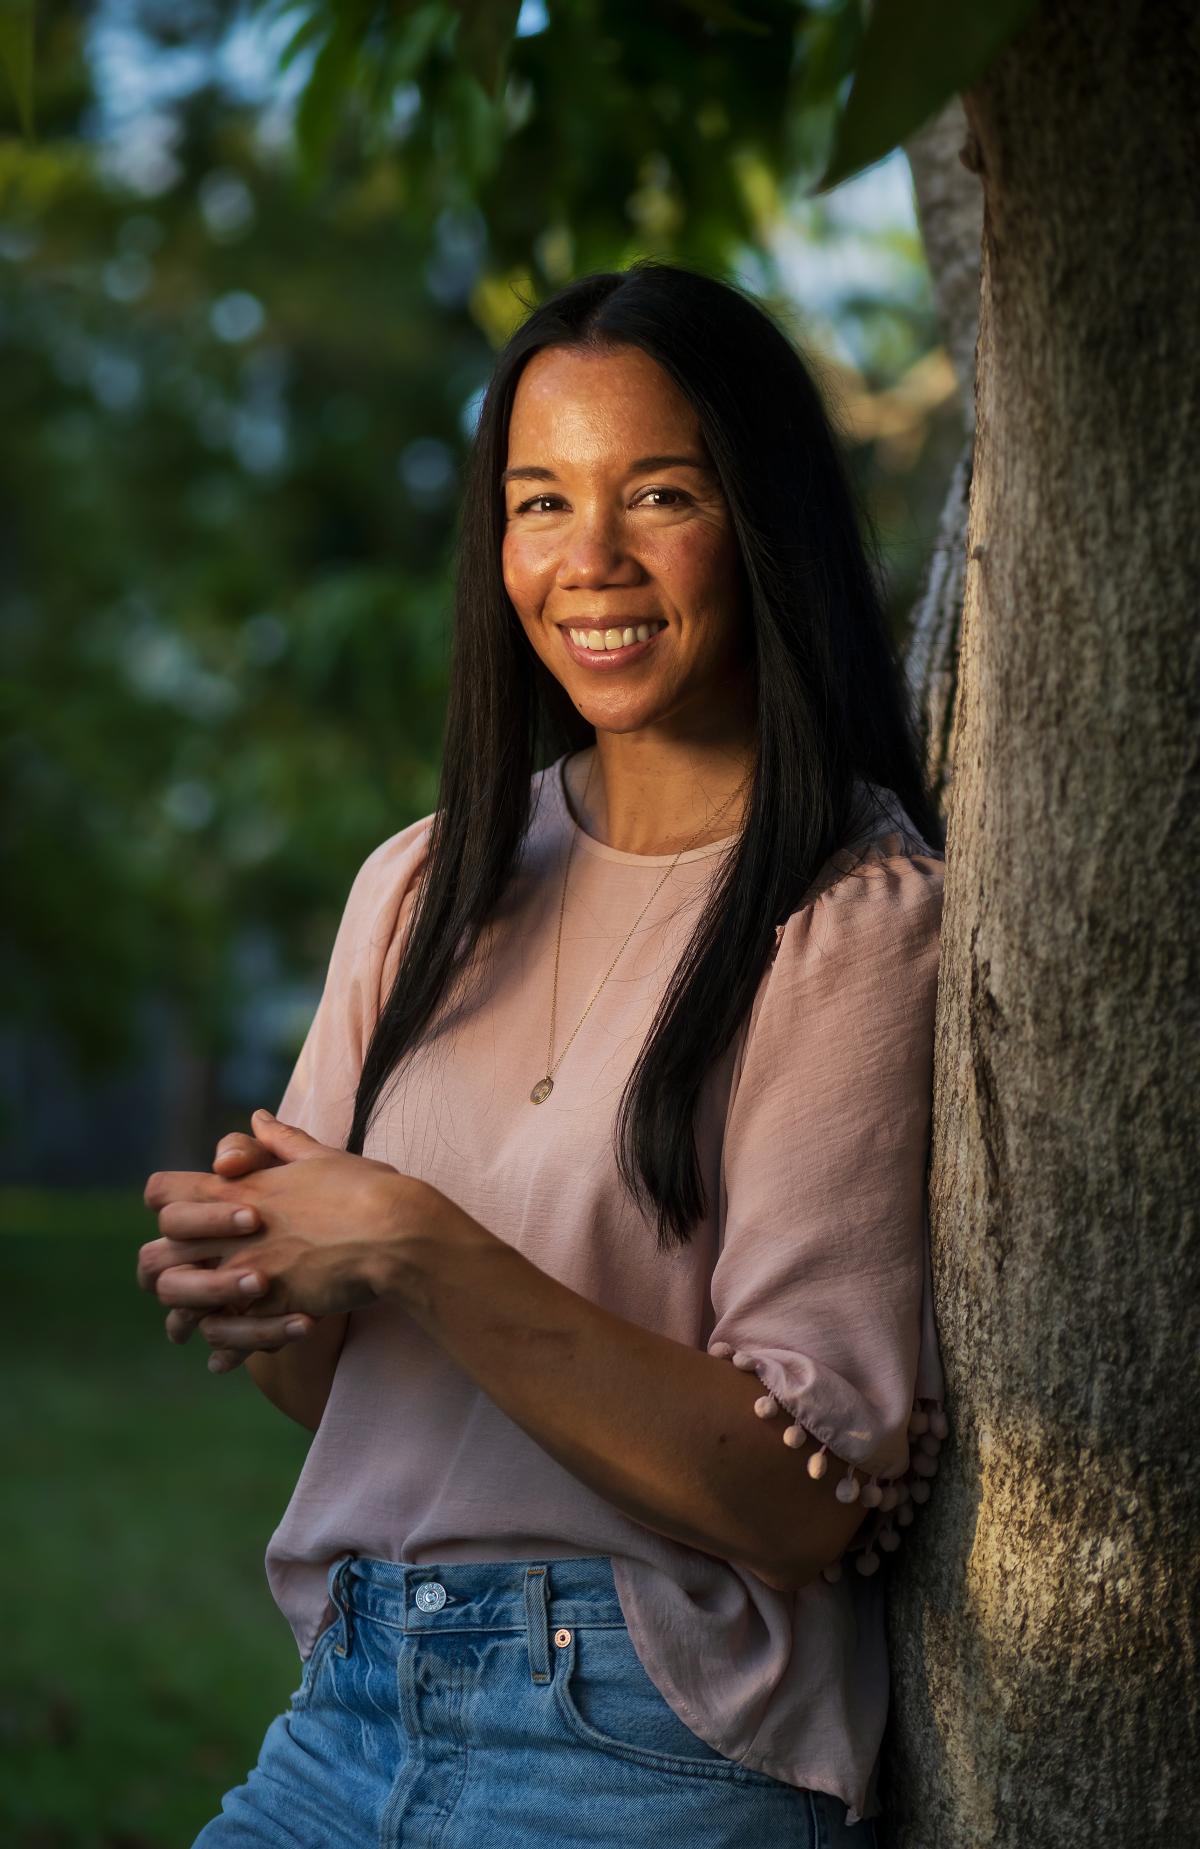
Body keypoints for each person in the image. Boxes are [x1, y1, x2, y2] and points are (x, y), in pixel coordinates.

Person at [138, 260, 949, 1848]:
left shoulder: (852, 919)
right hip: (354, 1694)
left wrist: (418, 1245)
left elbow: (801, 1497)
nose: (590, 562)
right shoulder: (425, 880)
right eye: (537, 502)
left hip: (645, 1729)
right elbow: (352, 1394)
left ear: (762, 519)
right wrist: (267, 1282)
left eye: (658, 494)